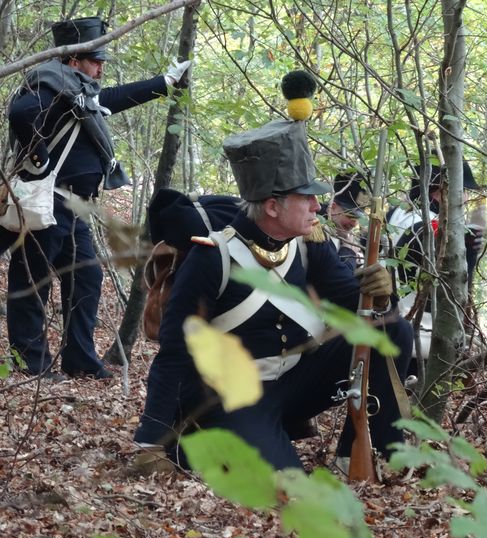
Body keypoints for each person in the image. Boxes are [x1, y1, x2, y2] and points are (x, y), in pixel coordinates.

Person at [133, 115, 412, 472]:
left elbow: (357, 307)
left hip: (293, 385)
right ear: (272, 205)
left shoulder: (312, 245)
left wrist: (381, 294)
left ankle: (363, 454)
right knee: (285, 486)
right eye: (307, 198)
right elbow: (175, 353)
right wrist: (150, 441)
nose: (317, 206)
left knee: (391, 330)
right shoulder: (212, 257)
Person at [2, 16, 191, 381]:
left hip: (74, 208)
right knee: (31, 284)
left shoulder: (74, 91)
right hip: (46, 203)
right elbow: (20, 112)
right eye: (94, 60)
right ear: (73, 60)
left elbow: (114, 98)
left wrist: (164, 83)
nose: (100, 67)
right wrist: (40, 161)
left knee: (86, 279)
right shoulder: (50, 84)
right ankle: (30, 365)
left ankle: (80, 359)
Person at [387, 158, 484, 362]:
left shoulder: (394, 215)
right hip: (419, 340)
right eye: (463, 190)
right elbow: (456, 288)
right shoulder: (434, 229)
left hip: (387, 327)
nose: (466, 198)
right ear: (439, 192)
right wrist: (469, 249)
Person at [320, 170, 370, 271]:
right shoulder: (317, 230)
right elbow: (334, 278)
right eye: (351, 215)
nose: (354, 223)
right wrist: (348, 252)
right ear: (332, 207)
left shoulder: (335, 228)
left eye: (358, 218)